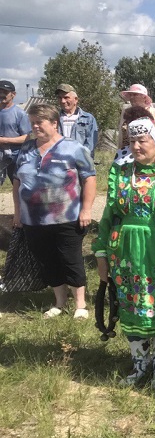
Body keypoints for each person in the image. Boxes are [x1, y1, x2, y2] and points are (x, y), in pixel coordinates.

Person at [93, 118, 155, 388]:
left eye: (141, 141)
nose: (135, 146)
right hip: (125, 253)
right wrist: (101, 252)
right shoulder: (120, 173)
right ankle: (138, 363)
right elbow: (109, 215)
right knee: (131, 304)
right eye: (131, 141)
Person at [12, 104, 96, 319]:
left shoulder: (73, 148)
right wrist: (18, 212)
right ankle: (59, 302)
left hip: (67, 216)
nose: (35, 127)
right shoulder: (26, 149)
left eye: (40, 122)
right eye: (32, 123)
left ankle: (80, 305)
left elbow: (89, 178)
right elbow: (16, 182)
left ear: (54, 123)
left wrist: (86, 210)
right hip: (33, 219)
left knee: (70, 259)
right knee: (47, 260)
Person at [55, 84, 99, 159]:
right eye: (60, 98)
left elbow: (90, 143)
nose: (62, 101)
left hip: (81, 163)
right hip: (59, 162)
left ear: (76, 100)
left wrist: (77, 159)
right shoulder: (54, 118)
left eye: (66, 97)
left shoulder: (88, 119)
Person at [0, 80, 31, 184]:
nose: (1, 94)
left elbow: (27, 137)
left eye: (5, 92)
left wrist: (4, 140)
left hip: (14, 158)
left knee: (18, 187)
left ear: (13, 94)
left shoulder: (20, 114)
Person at [117, 84, 155, 149]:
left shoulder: (153, 112)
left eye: (135, 95)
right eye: (130, 95)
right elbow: (121, 136)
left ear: (144, 97)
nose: (131, 97)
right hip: (125, 153)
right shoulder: (126, 113)